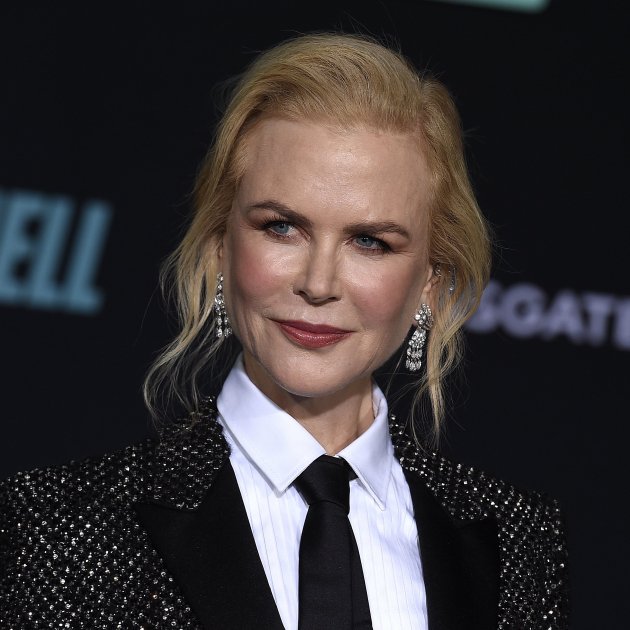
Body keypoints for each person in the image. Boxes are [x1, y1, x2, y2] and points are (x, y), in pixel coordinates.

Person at [0, 33, 569, 629]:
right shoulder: (55, 525)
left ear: (431, 279)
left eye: (369, 241)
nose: (318, 283)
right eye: (281, 227)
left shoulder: (519, 541)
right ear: (220, 245)